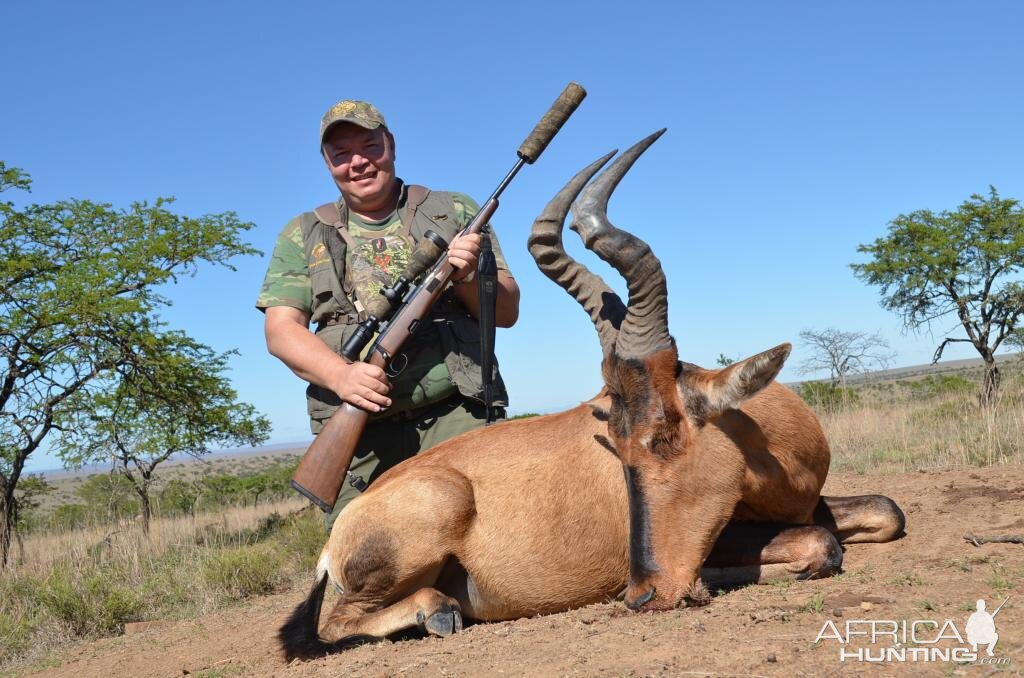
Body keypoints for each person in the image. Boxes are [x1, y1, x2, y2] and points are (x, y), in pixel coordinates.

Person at [257, 100, 520, 528]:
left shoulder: (453, 211)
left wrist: (467, 276)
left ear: (391, 145)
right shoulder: (303, 232)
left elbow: (506, 311)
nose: (358, 162)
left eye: (369, 146)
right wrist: (342, 376)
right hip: (362, 433)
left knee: (489, 553)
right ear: (327, 163)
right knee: (363, 571)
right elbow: (280, 330)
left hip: (455, 417)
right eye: (341, 154)